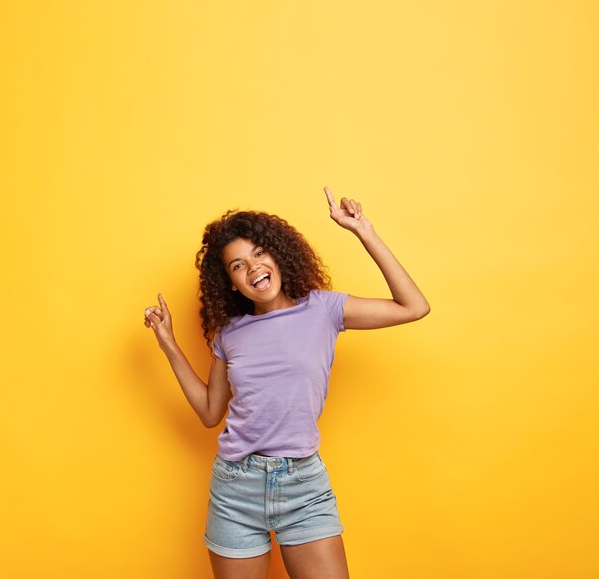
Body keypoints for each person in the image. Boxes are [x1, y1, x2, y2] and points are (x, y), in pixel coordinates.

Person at [143, 186, 430, 579]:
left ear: (277, 255)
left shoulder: (324, 309)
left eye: (258, 253)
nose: (253, 267)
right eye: (237, 265)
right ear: (230, 283)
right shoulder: (230, 333)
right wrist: (169, 345)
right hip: (235, 486)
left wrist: (364, 230)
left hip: (303, 484)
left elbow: (413, 306)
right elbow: (211, 413)